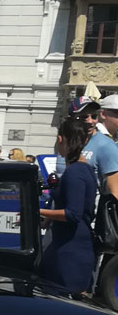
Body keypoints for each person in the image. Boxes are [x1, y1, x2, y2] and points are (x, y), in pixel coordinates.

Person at [41, 118, 97, 298]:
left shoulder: (75, 172)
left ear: (60, 139)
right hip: (73, 245)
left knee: (60, 301)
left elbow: (72, 213)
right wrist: (47, 220)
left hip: (70, 249)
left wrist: (37, 211)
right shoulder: (86, 169)